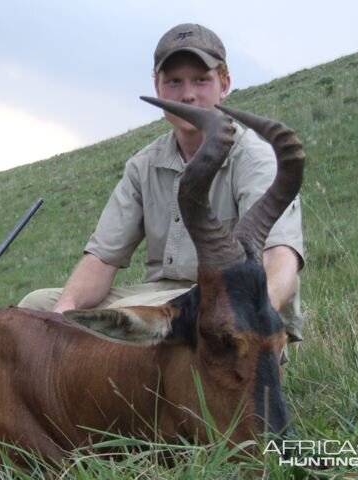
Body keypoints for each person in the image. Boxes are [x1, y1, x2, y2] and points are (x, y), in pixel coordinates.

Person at [19, 23, 305, 347]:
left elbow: (280, 258)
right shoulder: (144, 164)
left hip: (235, 303)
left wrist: (250, 314)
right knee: (34, 308)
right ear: (157, 87)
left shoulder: (255, 159)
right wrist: (62, 311)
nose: (187, 94)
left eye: (201, 80)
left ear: (224, 83)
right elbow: (103, 258)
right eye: (174, 82)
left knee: (119, 320)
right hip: (165, 295)